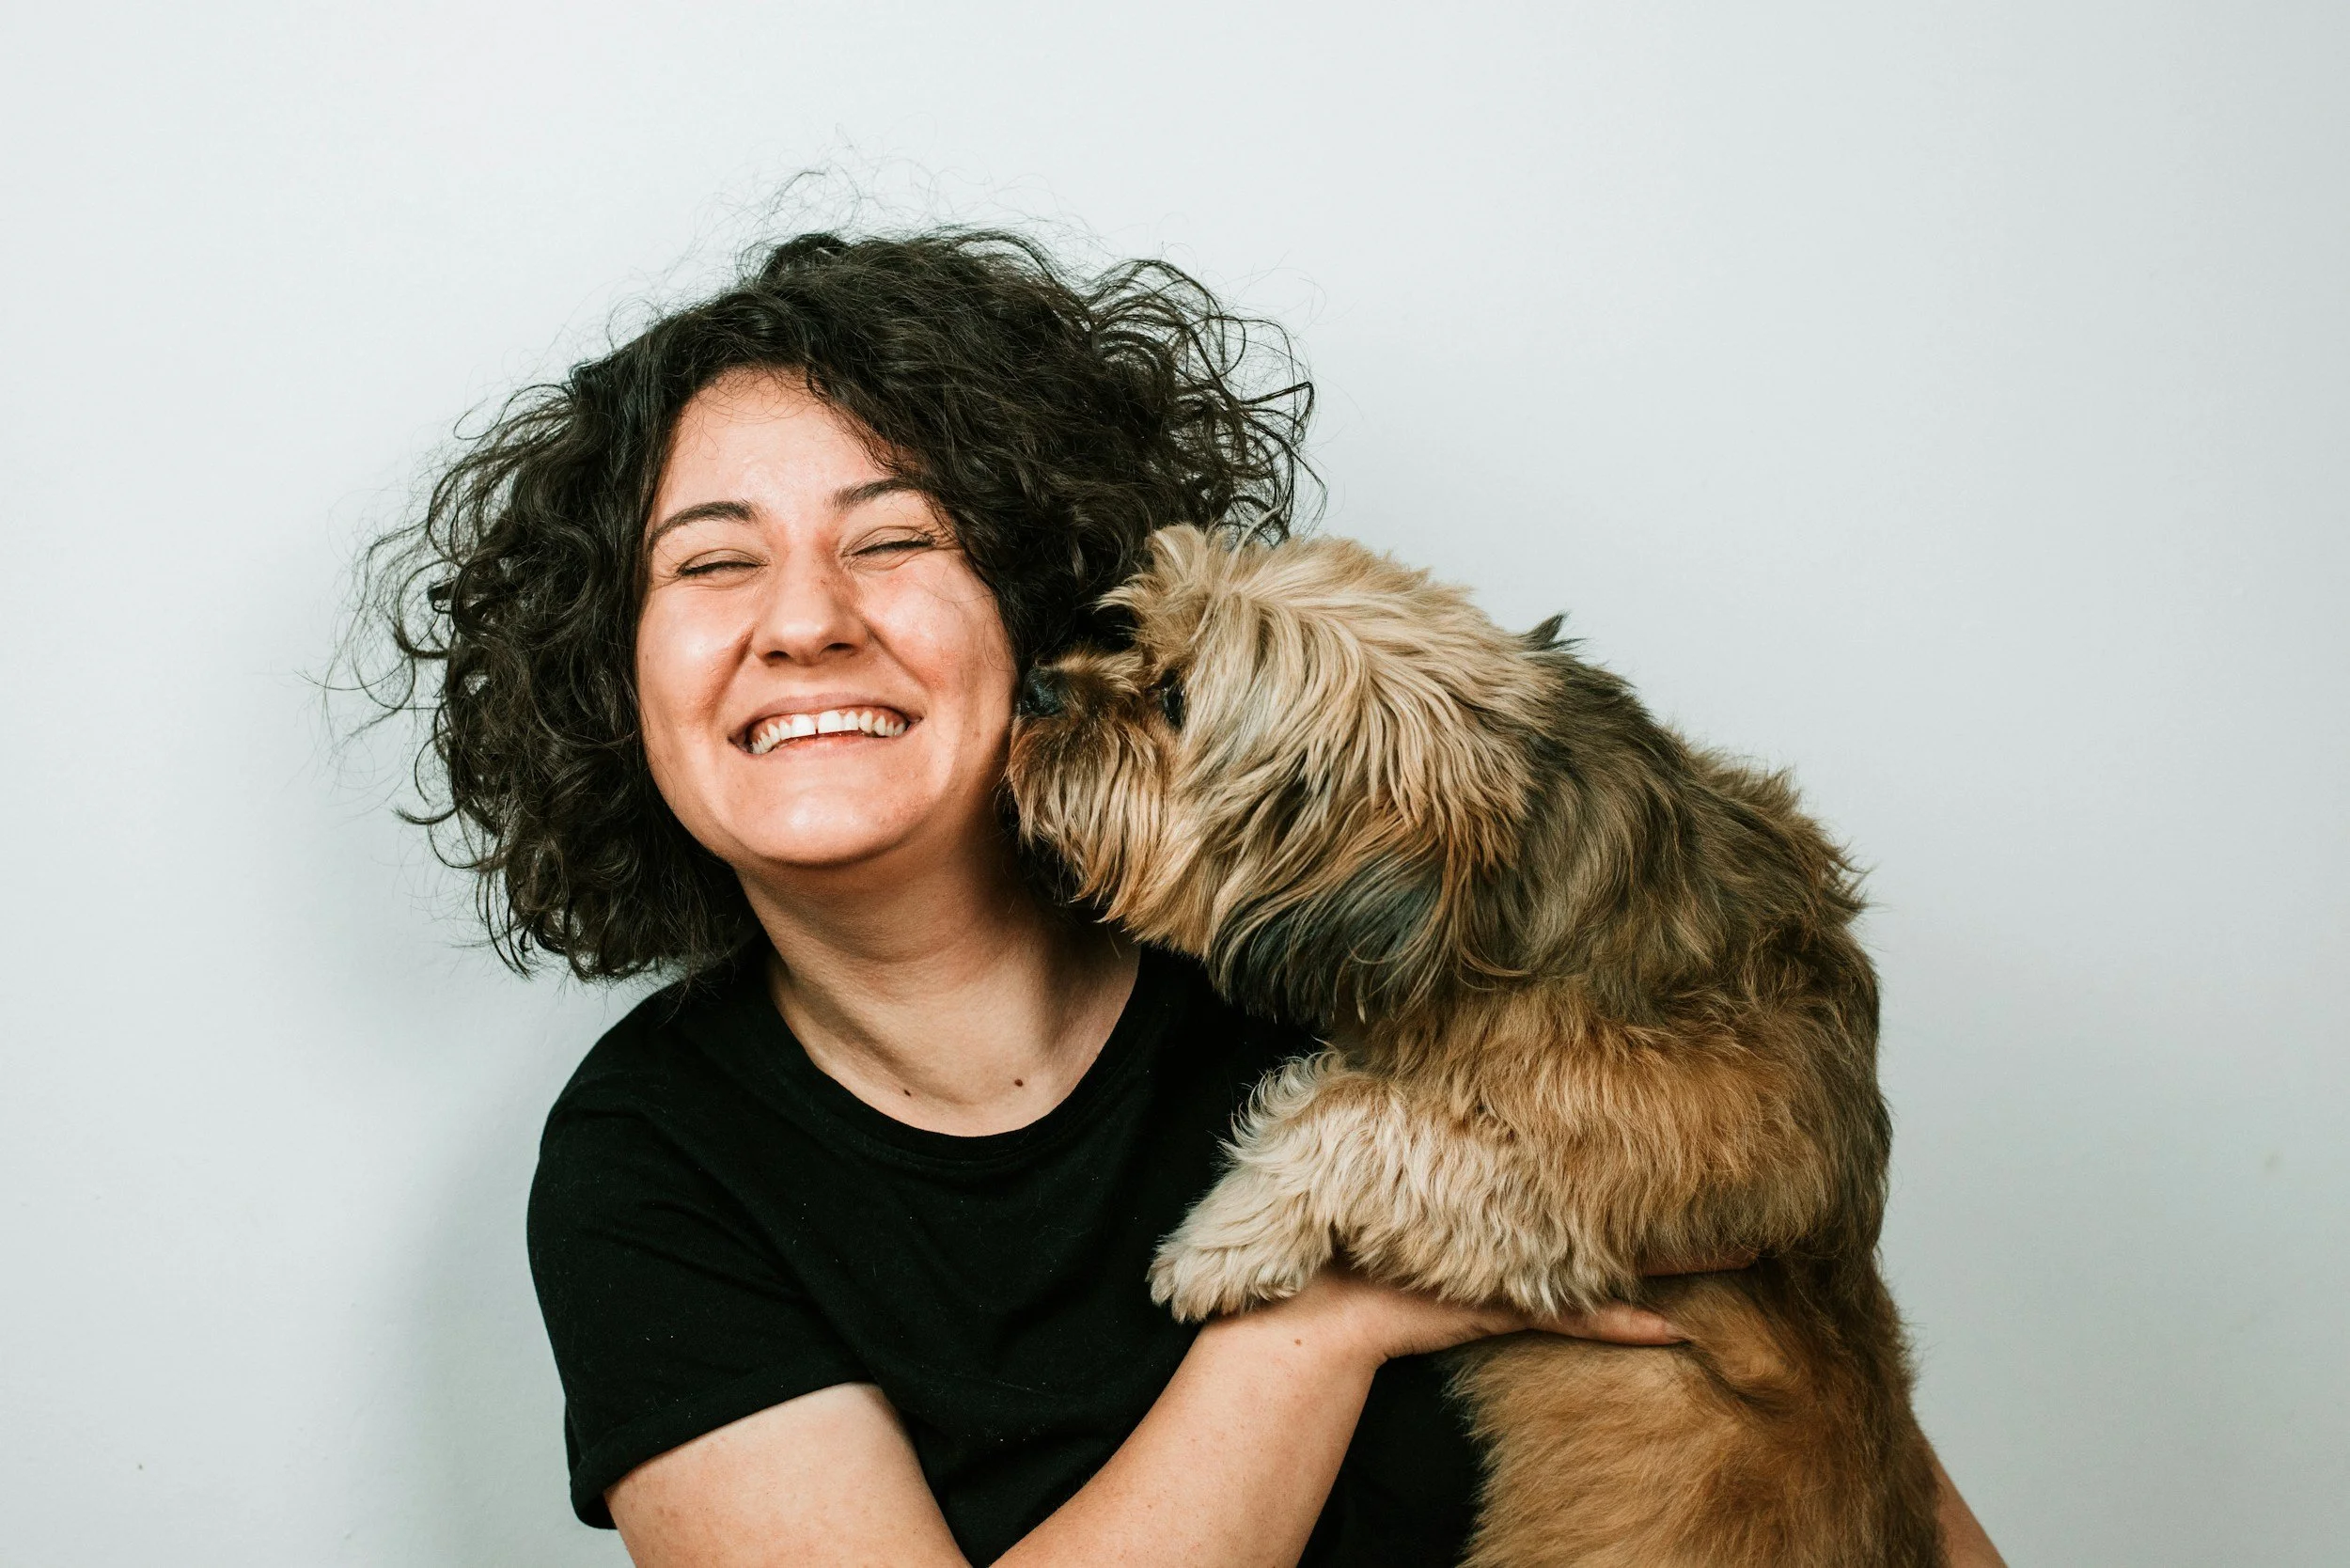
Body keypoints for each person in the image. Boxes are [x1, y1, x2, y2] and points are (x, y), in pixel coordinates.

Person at [369, 228, 2004, 1566]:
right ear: (611, 678)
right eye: (712, 562)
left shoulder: (1354, 928)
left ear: (1032, 603)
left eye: (893, 541)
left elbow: (1846, 1451)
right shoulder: (652, 1164)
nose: (802, 622)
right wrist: (1319, 1326)